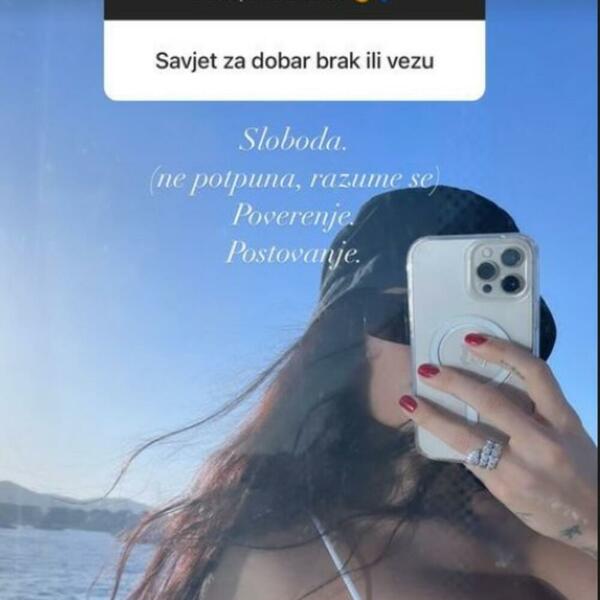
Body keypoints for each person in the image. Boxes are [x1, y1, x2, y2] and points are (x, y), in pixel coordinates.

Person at [113, 186, 598, 600]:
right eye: (410, 320)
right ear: (347, 344)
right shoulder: (275, 562)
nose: (457, 354)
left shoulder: (559, 526)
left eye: (493, 333)